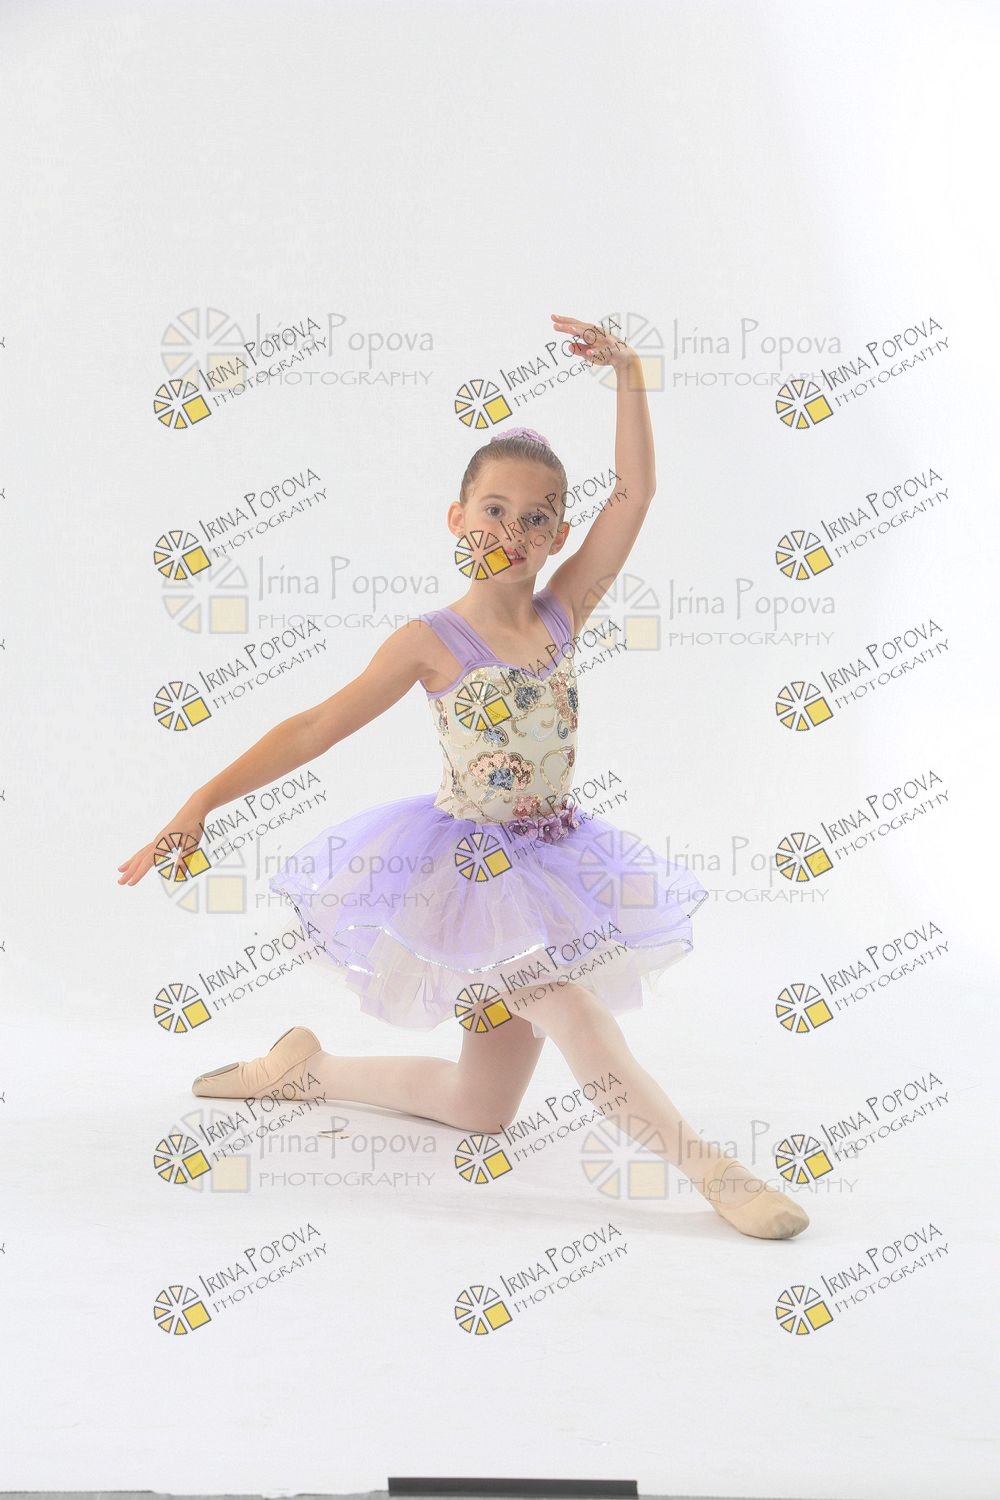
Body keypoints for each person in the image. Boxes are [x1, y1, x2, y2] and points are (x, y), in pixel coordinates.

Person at [119, 312, 808, 1240]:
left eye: (536, 518)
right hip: (473, 874)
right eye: (494, 510)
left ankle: (307, 1070)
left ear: (558, 535)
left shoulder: (564, 612)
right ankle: (716, 1173)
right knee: (570, 1008)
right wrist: (201, 800)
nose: (513, 530)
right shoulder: (430, 642)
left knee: (481, 1109)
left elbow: (637, 493)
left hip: (553, 866)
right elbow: (315, 726)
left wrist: (629, 374)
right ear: (458, 518)